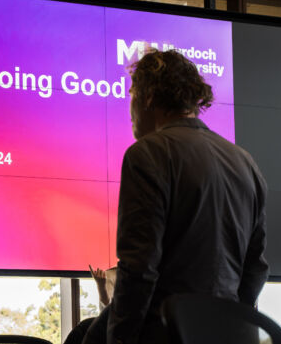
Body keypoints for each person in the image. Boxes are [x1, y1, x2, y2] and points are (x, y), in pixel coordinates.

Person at [85, 50, 269, 344]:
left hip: (167, 332)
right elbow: (255, 269)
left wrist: (119, 341)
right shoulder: (245, 162)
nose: (130, 109)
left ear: (147, 96)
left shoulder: (146, 153)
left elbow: (139, 270)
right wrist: (230, 323)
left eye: (131, 96)